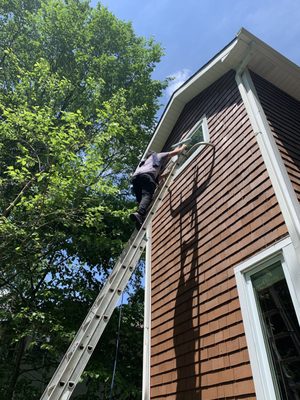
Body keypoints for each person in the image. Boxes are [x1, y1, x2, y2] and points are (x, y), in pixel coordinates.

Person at [130, 144, 187, 229]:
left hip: (135, 179)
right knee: (147, 195)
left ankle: (139, 218)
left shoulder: (144, 162)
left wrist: (163, 176)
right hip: (146, 176)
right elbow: (176, 152)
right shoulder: (158, 155)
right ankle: (140, 214)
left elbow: (157, 177)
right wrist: (183, 147)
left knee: (141, 200)